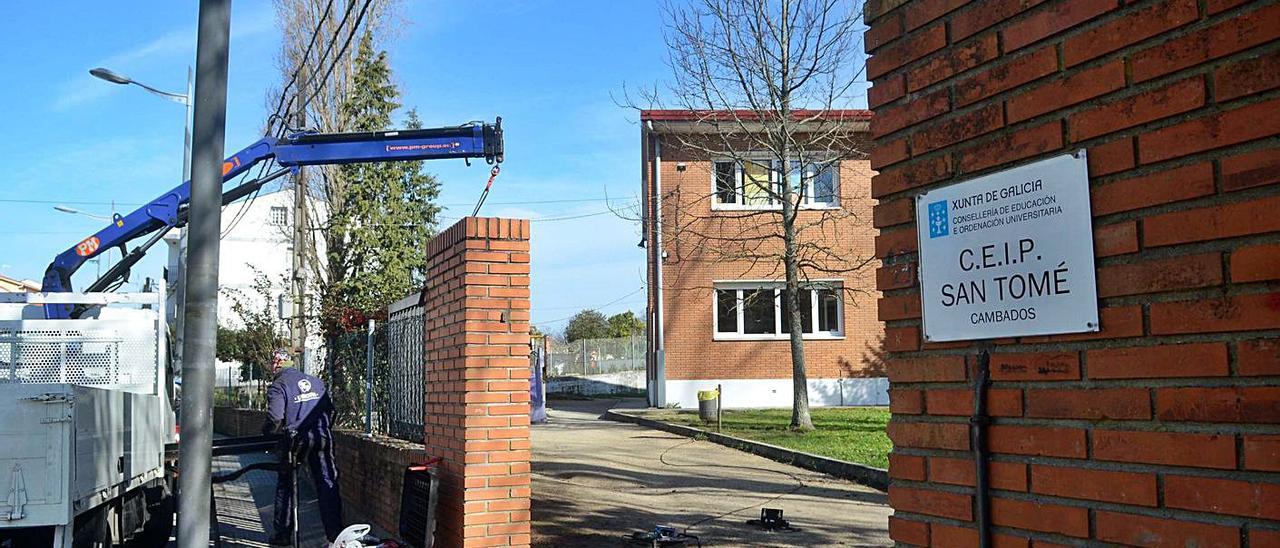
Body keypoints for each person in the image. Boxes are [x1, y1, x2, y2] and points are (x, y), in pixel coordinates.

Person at [262, 349, 343, 544]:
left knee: (287, 484)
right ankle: (336, 536)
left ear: (276, 364)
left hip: (295, 441)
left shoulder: (278, 385)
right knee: (327, 483)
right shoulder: (315, 381)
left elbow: (275, 418)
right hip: (322, 435)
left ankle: (282, 535)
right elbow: (331, 411)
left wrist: (268, 433)